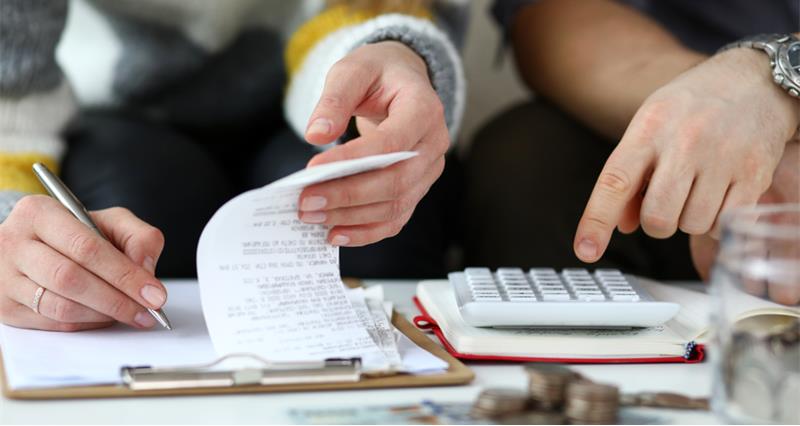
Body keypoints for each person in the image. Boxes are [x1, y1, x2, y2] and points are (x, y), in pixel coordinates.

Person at [0, 0, 467, 331]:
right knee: (138, 204)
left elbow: (379, 13)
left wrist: (398, 55)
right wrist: (10, 225)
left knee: (364, 220)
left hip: (329, 84)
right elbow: (12, 87)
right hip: (118, 109)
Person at [465, 0, 799, 295]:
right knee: (529, 156)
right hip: (656, 82)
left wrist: (774, 104)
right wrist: (722, 116)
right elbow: (557, 17)